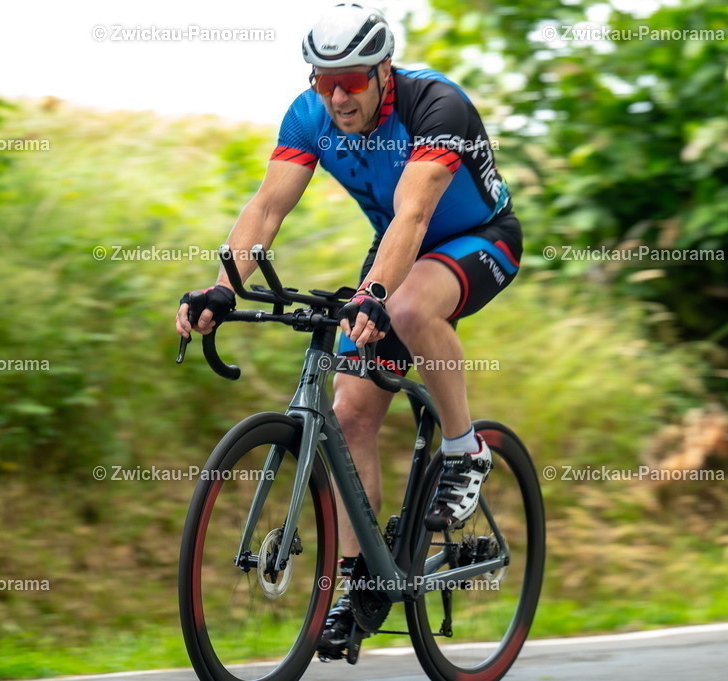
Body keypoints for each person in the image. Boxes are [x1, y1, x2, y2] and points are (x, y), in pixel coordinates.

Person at [176, 2, 522, 663]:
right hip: (395, 247)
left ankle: (464, 449)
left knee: (415, 309)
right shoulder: (308, 114)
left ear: (383, 70)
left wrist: (376, 296)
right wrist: (223, 284)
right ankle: (362, 584)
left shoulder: (435, 105)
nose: (337, 95)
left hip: (477, 239)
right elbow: (267, 206)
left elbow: (416, 215)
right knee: (350, 412)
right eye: (323, 79)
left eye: (353, 80)